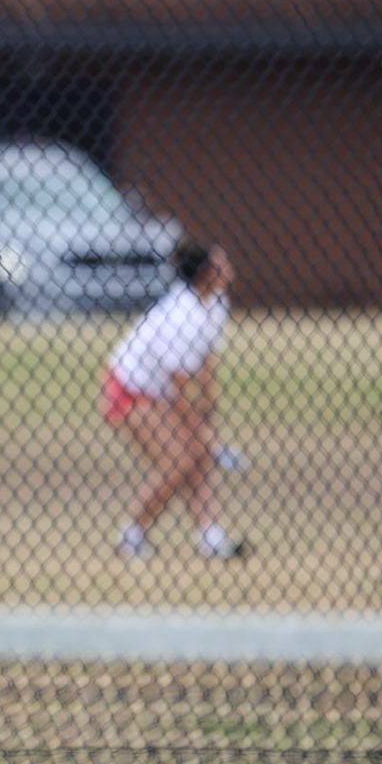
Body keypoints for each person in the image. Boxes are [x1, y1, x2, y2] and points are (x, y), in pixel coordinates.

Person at [102, 240, 248, 561]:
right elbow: (178, 385)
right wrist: (200, 431)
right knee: (178, 461)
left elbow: (207, 364)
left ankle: (210, 537)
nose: (229, 268)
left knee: (197, 456)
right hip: (130, 389)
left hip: (160, 392)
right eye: (221, 263)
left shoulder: (216, 303)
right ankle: (131, 537)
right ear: (206, 273)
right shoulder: (183, 315)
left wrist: (207, 419)